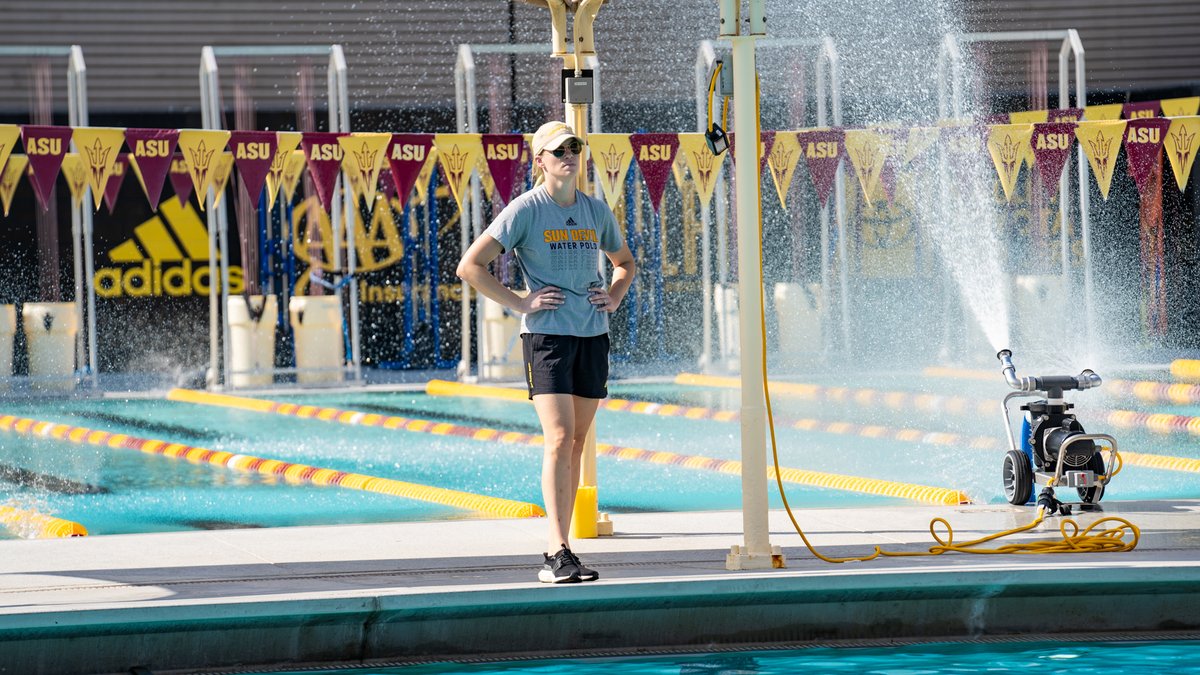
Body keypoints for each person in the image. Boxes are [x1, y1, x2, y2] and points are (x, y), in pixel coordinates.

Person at [456, 120, 636, 584]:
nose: (568, 156)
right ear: (540, 160)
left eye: (574, 148)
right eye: (558, 150)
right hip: (548, 337)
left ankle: (567, 549)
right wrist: (519, 301)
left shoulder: (596, 211)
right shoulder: (525, 210)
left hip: (592, 334)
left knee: (576, 440)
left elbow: (625, 263)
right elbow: (470, 266)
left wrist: (613, 297)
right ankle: (555, 550)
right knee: (558, 438)